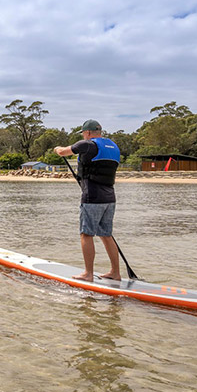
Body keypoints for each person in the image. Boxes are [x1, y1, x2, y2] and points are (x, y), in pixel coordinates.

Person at [54, 119, 122, 282]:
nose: (84, 136)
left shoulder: (88, 145)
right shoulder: (113, 147)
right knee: (106, 235)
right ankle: (115, 273)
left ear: (89, 132)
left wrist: (57, 149)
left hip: (92, 197)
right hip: (110, 198)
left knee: (86, 234)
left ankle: (88, 274)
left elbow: (63, 152)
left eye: (84, 133)